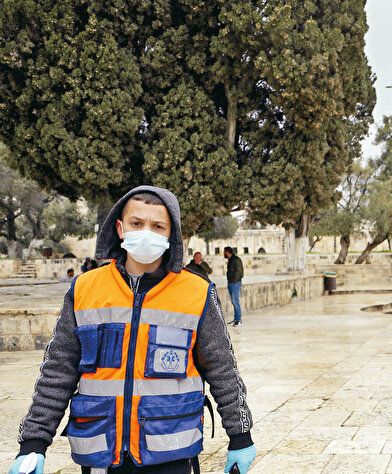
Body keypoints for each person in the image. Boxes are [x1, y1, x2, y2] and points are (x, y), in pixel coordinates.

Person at [10, 186, 256, 474]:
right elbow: (58, 370)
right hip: (100, 451)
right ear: (120, 228)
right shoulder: (85, 289)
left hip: (170, 451)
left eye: (158, 226)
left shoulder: (198, 292)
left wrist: (240, 436)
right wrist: (34, 442)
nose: (146, 233)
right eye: (137, 223)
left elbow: (222, 369)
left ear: (171, 234)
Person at [223, 247, 243, 327]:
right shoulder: (230, 260)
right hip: (231, 283)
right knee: (233, 301)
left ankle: (238, 320)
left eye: (224, 252)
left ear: (227, 252)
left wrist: (234, 281)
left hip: (235, 283)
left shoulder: (236, 260)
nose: (224, 254)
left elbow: (239, 272)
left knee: (235, 301)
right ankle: (235, 319)